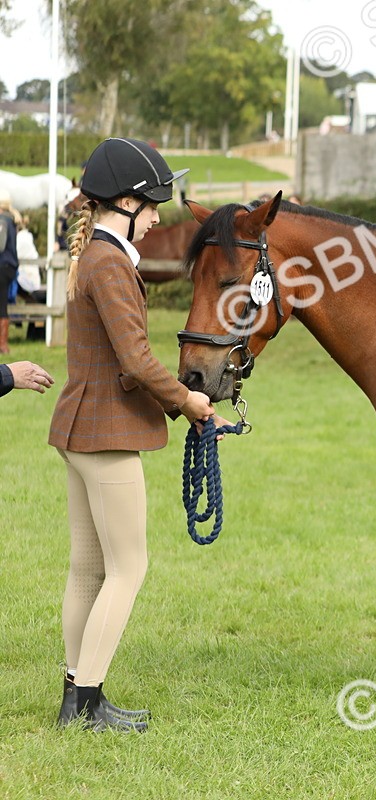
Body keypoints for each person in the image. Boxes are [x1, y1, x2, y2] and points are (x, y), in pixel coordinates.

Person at [48, 138, 221, 732]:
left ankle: (79, 693)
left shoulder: (93, 257)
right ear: (124, 201)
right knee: (129, 567)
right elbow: (138, 361)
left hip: (81, 429)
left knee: (89, 569)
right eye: (150, 206)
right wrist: (192, 403)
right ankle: (87, 702)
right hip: (107, 434)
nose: (155, 218)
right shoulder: (111, 263)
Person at [0, 189, 19, 354]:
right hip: (10, 267)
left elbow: (0, 245)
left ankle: (3, 345)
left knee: (2, 306)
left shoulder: (2, 221)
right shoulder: (12, 219)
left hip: (2, 266)